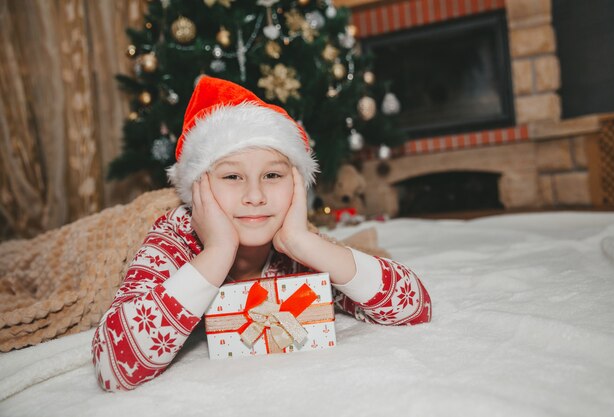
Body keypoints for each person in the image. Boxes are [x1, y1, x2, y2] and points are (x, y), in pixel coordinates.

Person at [92, 76, 431, 392]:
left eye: (272, 175)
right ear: (198, 188)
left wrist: (302, 242)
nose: (255, 196)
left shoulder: (292, 242)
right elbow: (112, 365)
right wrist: (217, 252)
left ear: (297, 184)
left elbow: (415, 308)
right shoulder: (176, 237)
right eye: (232, 177)